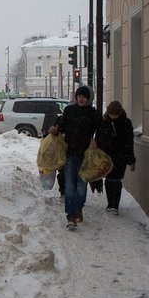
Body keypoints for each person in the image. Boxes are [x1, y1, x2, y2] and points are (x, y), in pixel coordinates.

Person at [48, 85, 101, 230]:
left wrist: (96, 141)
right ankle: (71, 216)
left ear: (88, 99)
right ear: (76, 97)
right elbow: (61, 124)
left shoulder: (93, 114)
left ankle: (79, 208)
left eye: (84, 96)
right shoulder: (69, 111)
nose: (81, 99)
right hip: (70, 153)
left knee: (82, 187)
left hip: (86, 155)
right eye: (79, 96)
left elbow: (101, 131)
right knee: (70, 186)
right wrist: (55, 128)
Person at [95, 101, 136, 215]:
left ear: (119, 113)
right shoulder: (104, 122)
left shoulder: (126, 123)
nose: (113, 117)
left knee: (116, 180)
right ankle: (110, 203)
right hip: (106, 156)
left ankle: (115, 205)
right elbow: (98, 138)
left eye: (115, 115)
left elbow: (129, 142)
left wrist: (131, 160)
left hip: (120, 156)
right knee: (108, 179)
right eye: (111, 114)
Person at [41, 103, 65, 196]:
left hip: (50, 143)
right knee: (61, 168)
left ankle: (61, 187)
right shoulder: (56, 117)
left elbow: (45, 127)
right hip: (57, 143)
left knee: (56, 165)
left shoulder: (48, 115)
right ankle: (63, 188)